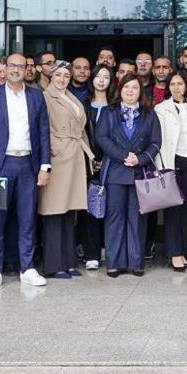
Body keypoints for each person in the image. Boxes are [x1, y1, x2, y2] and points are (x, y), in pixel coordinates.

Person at [0, 52, 52, 290]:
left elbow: (43, 132)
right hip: (0, 165)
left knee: (27, 219)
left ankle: (27, 268)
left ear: (27, 70)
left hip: (28, 164)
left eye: (21, 66)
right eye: (12, 66)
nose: (16, 70)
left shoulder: (36, 96)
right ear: (5, 68)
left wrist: (45, 166)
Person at [95, 74, 161, 277]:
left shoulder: (149, 114)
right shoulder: (109, 112)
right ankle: (114, 263)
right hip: (115, 173)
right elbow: (101, 138)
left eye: (135, 87)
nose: (130, 91)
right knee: (115, 218)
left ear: (140, 92)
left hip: (140, 173)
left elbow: (156, 142)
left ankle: (135, 262)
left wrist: (139, 159)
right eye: (126, 87)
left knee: (137, 219)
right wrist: (123, 156)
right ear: (120, 90)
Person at [41, 61, 92, 279]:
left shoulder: (70, 96)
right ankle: (54, 264)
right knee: (54, 210)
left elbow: (80, 128)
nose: (62, 79)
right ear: (51, 76)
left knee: (70, 211)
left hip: (75, 157)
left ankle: (69, 261)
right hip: (59, 159)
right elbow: (42, 129)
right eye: (58, 75)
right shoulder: (45, 97)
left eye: (66, 76)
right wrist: (56, 149)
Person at [154, 72, 187, 272]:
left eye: (180, 84)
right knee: (173, 209)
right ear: (168, 88)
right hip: (171, 162)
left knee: (185, 210)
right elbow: (158, 141)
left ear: (186, 86)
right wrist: (162, 168)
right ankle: (174, 253)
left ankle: (182, 251)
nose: (176, 87)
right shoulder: (161, 109)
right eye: (172, 84)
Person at [81, 64, 113, 270]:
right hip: (86, 163)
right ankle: (91, 254)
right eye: (98, 76)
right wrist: (91, 158)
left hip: (112, 163)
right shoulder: (82, 104)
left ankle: (109, 250)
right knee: (91, 208)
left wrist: (106, 158)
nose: (101, 80)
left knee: (111, 208)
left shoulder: (116, 105)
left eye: (106, 77)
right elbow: (78, 133)